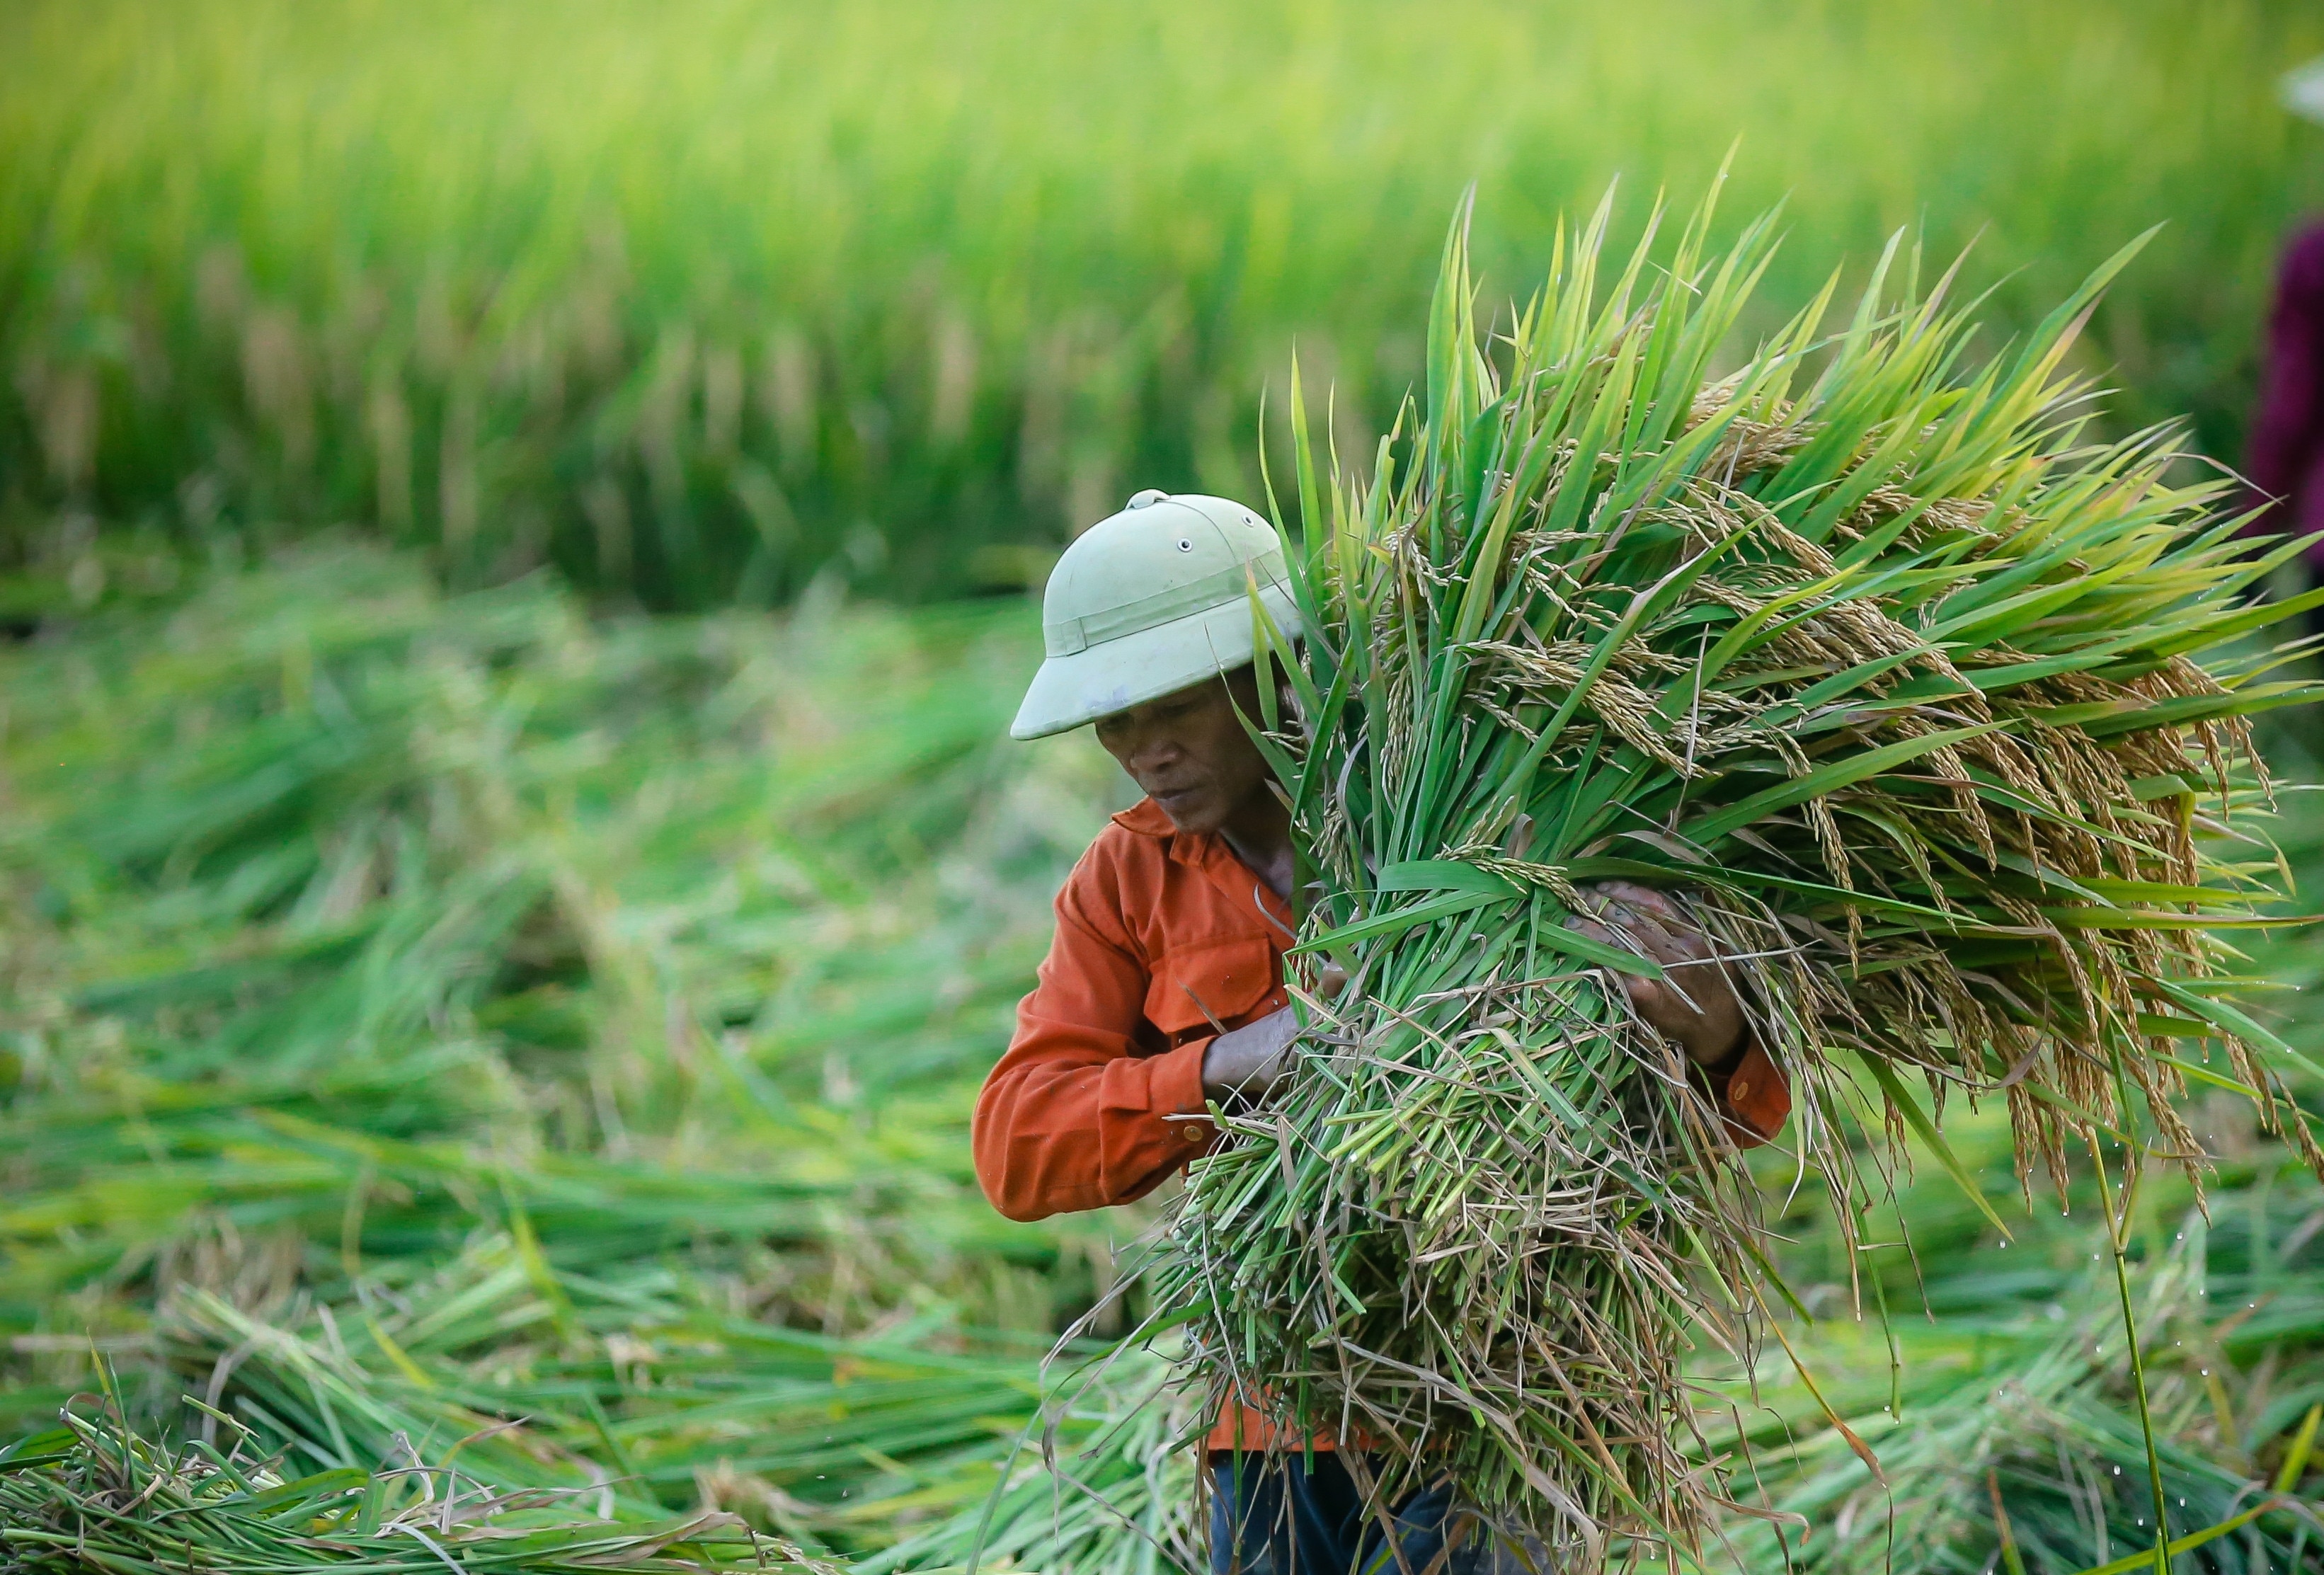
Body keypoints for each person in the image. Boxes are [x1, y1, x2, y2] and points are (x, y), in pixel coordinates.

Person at [971, 490, 1792, 1575]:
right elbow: (1019, 1144)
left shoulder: (1468, 806)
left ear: (1272, 669)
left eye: (1172, 705)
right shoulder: (1125, 881)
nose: (1143, 750)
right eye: (1113, 719)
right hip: (1279, 1403)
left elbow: (1736, 1109)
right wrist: (1229, 1063)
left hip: (1516, 1391)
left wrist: (1721, 1027)